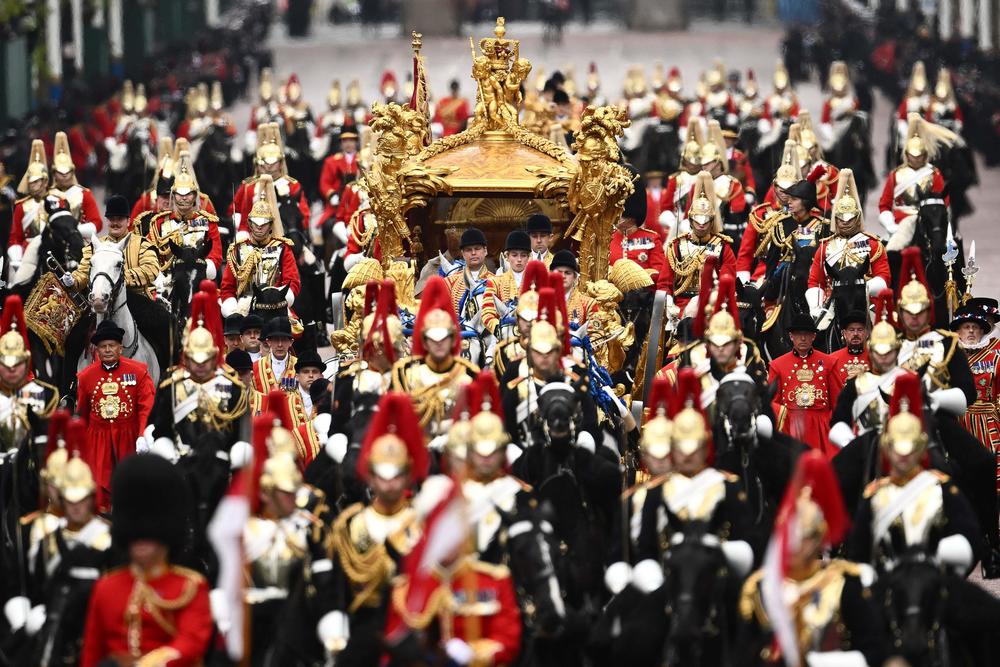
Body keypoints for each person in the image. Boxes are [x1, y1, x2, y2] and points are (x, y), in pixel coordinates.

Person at [895, 247, 1000, 577]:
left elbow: (966, 391)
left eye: (920, 311)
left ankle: (992, 545)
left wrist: (937, 400)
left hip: (938, 417)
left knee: (983, 463)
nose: (914, 318)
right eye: (908, 312)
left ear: (929, 312)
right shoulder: (890, 341)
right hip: (896, 421)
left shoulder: (946, 343)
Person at [739, 451, 887, 667]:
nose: (796, 544)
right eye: (790, 535)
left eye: (805, 537)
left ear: (819, 538)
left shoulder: (845, 585)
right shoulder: (760, 589)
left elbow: (874, 652)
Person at [321, 392, 425, 664]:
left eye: (396, 476)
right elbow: (337, 587)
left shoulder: (421, 525)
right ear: (370, 475)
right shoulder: (351, 525)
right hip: (363, 626)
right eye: (381, 475)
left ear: (407, 476)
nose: (389, 484)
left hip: (412, 629)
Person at [80, 454, 212, 667]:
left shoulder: (190, 587)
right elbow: (91, 655)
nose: (141, 542)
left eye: (150, 537)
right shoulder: (106, 588)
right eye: (136, 536)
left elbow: (190, 644)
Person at [847, 371, 982, 571]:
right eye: (897, 451)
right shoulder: (875, 494)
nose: (903, 457)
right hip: (890, 575)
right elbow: (859, 554)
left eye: (910, 450)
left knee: (983, 463)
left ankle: (994, 545)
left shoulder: (941, 487)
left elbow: (969, 539)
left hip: (933, 573)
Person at [149, 287, 247, 450]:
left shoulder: (233, 387)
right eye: (194, 359)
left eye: (206, 359)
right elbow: (160, 428)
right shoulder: (171, 386)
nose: (200, 365)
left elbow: (240, 434)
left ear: (215, 356)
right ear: (186, 356)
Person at [75, 320, 155, 510]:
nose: (108, 350)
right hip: (98, 441)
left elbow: (147, 407)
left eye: (112, 345)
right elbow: (82, 414)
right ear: (97, 350)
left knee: (133, 490)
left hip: (129, 439)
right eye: (103, 347)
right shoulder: (86, 376)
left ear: (120, 348)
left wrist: (143, 434)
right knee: (99, 493)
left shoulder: (138, 372)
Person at [392, 276, 478, 437]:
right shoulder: (405, 374)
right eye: (433, 338)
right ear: (424, 341)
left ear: (453, 339)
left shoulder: (469, 374)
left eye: (444, 337)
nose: (439, 343)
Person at [806, 168, 890, 321]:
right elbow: (815, 281)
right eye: (840, 219)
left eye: (849, 219)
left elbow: (883, 278)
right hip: (832, 302)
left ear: (857, 218)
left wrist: (863, 288)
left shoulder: (873, 244)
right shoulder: (825, 247)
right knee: (817, 331)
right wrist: (816, 307)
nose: (844, 223)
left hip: (866, 300)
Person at [656, 171, 736, 317]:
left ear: (711, 221)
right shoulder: (676, 246)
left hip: (712, 305)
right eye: (697, 221)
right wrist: (669, 304)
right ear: (691, 220)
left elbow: (728, 281)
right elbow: (664, 283)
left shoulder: (723, 247)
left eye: (705, 221)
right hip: (680, 308)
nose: (701, 225)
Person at [220, 174, 300, 317]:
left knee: (296, 331)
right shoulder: (237, 249)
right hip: (243, 305)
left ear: (270, 225)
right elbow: (227, 288)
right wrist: (232, 310)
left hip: (276, 303)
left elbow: (292, 282)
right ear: (249, 224)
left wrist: (278, 299)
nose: (259, 228)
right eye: (255, 223)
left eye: (263, 224)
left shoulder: (283, 248)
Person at [768, 313, 841, 457]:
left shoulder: (829, 363)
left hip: (821, 429)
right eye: (798, 334)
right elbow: (771, 404)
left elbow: (838, 402)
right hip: (791, 429)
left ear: (813, 336)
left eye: (807, 334)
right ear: (791, 336)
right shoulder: (777, 365)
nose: (802, 338)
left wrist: (830, 426)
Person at [66, 194, 161, 299]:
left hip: (136, 300)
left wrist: (121, 277)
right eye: (112, 219)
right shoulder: (95, 246)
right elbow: (84, 273)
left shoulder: (142, 244)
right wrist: (73, 281)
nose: (115, 223)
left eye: (120, 219)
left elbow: (151, 269)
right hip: (102, 300)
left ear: (128, 221)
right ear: (107, 220)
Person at [878, 113, 953, 245]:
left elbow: (943, 201)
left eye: (919, 156)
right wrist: (889, 224)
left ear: (925, 155)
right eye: (913, 156)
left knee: (951, 251)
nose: (916, 159)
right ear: (907, 155)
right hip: (900, 222)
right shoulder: (896, 174)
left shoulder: (933, 174)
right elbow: (885, 204)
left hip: (929, 222)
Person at [148, 151, 223, 281]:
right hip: (165, 281)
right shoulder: (159, 222)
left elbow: (215, 253)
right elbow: (148, 252)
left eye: (188, 194)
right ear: (173, 195)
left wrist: (205, 269)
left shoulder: (207, 222)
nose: (184, 198)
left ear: (194, 195)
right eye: (179, 194)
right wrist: (158, 276)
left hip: (198, 279)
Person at [229, 122, 311, 239]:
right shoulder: (249, 186)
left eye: (273, 163)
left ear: (280, 163)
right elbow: (234, 210)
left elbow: (304, 214)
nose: (268, 167)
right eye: (263, 164)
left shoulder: (292, 185)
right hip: (252, 233)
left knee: (309, 257)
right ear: (257, 164)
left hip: (286, 234)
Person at [736, 140, 800, 284]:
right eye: (780, 188)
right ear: (775, 186)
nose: (784, 193)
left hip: (796, 273)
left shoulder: (805, 216)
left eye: (789, 189)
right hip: (762, 274)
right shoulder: (760, 215)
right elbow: (745, 253)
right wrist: (743, 281)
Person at [950, 304, 1000, 491]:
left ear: (982, 331)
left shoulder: (995, 358)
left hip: (987, 423)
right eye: (966, 327)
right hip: (958, 422)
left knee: (992, 476)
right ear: (958, 331)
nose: (971, 331)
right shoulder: (949, 358)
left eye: (975, 327)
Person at [0, 295, 59, 447]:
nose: (11, 369)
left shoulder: (46, 395)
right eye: (6, 364)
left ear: (27, 363)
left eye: (17, 363)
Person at [445, 227, 501, 339]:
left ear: (485, 251)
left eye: (477, 248)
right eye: (468, 250)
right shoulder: (450, 282)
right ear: (462, 253)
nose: (473, 253)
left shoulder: (498, 282)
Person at [610, 173, 665, 282]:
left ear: (632, 215)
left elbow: (659, 271)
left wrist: (636, 277)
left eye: (621, 214)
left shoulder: (651, 238)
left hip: (642, 295)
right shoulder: (607, 238)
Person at [46, 131, 103, 235]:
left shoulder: (84, 194)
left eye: (68, 172)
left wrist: (76, 230)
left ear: (73, 172)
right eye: (60, 172)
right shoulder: (47, 196)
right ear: (54, 174)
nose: (64, 175)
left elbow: (97, 223)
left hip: (79, 237)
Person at [317, 127, 359, 232]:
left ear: (356, 142)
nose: (348, 144)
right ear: (341, 143)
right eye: (345, 141)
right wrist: (331, 195)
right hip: (336, 204)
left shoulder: (362, 159)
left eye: (351, 140)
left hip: (358, 201)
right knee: (326, 227)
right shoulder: (331, 161)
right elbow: (324, 183)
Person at [550, 249, 598, 327]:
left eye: (567, 273)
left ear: (575, 277)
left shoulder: (588, 304)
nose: (563, 276)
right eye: (559, 272)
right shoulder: (540, 301)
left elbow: (596, 334)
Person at [251, 316, 298, 393]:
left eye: (284, 340)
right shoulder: (256, 367)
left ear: (291, 342)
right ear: (268, 342)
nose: (280, 344)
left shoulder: (298, 366)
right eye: (276, 340)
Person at [828, 309, 871, 386]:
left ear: (867, 333)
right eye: (851, 330)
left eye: (860, 330)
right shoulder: (832, 359)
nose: (855, 334)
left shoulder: (876, 358)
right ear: (844, 333)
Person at [493, 229, 532, 304]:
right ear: (507, 256)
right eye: (514, 255)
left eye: (523, 255)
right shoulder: (494, 282)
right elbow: (488, 310)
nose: (519, 259)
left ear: (529, 257)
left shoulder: (537, 282)